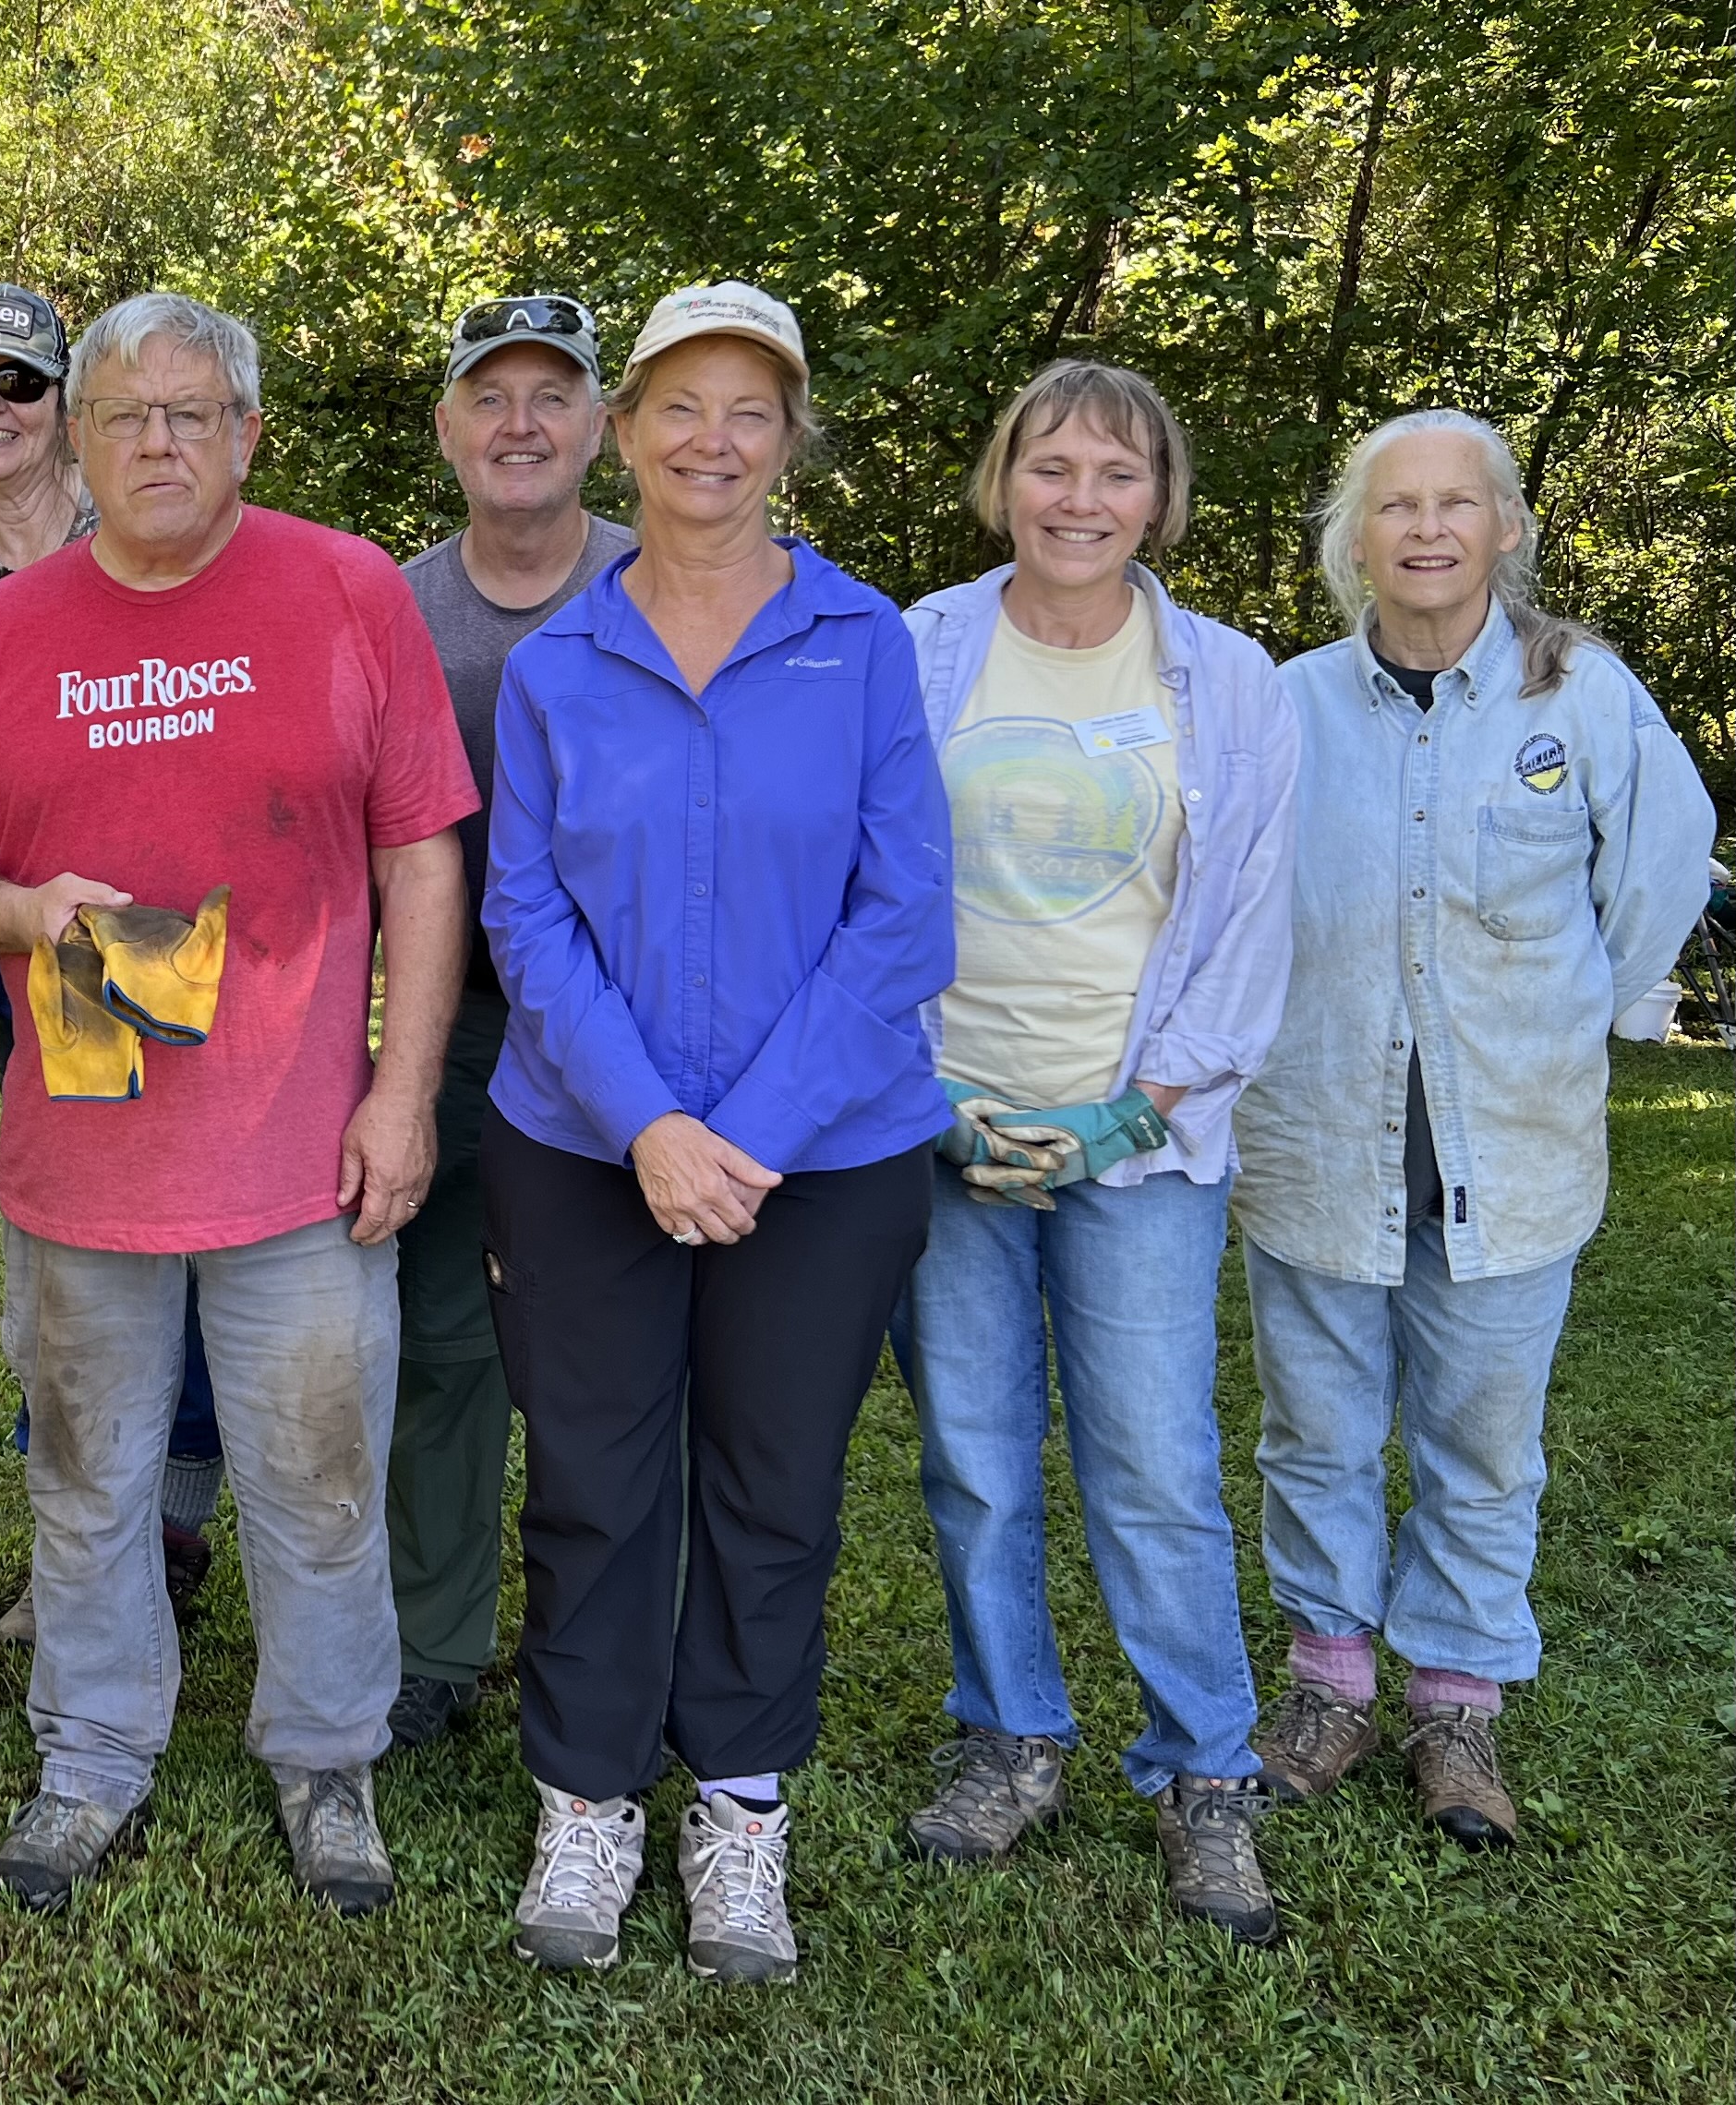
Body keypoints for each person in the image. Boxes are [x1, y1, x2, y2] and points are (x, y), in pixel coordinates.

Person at [0, 291, 476, 1916]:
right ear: (77, 439)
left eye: (190, 413)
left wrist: (403, 1091)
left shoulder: (346, 591)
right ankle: (90, 1757)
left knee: (319, 1480)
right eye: (125, 415)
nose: (156, 441)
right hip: (86, 1162)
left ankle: (329, 1761)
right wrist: (25, 914)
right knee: (86, 1479)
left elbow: (423, 851)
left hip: (301, 1155)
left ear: (246, 435)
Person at [480, 283, 951, 1980]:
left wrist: (735, 1134)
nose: (713, 440)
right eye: (679, 405)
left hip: (821, 1159)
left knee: (772, 1486)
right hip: (582, 1146)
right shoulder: (556, 666)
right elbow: (526, 921)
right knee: (598, 1487)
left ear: (789, 437)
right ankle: (589, 1804)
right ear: (624, 432)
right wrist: (651, 1127)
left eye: (750, 410)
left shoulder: (863, 643)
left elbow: (903, 921)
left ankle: (740, 1816)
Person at [1233, 409, 1711, 1850]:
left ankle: (1457, 1702)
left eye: (1459, 504)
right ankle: (1327, 1682)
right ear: (1355, 540)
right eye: (1397, 507)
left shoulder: (1585, 698)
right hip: (1319, 1128)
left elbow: (1662, 869)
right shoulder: (1286, 704)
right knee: (1314, 1425)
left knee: (1484, 1439)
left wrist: (1595, 1012)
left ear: (1505, 528)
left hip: (1516, 1140)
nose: (1428, 529)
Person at [886, 361, 1300, 1943]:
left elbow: (1253, 925)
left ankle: (1204, 1772)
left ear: (1160, 499)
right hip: (950, 1130)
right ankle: (1011, 1738)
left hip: (1139, 1144)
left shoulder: (1227, 680)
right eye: (1051, 466)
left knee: (1156, 1468)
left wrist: (1128, 1116)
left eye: (1116, 476)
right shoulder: (919, 649)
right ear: (1004, 479)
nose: (1080, 500)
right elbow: (862, 882)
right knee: (977, 1462)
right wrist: (929, 1100)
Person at [0, 283, 228, 1642]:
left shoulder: (153, 526)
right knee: (60, 1279)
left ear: (67, 409)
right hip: (23, 969)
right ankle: (86, 1548)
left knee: (207, 1250)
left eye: (20, 383)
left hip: (169, 951)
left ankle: (178, 1521)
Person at [385, 293, 636, 1751]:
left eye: (553, 395)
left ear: (600, 426)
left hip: (637, 1041)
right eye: (491, 396)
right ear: (450, 428)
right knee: (442, 1348)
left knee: (612, 1358)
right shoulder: (400, 608)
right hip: (459, 1024)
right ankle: (438, 1645)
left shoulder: (661, 587)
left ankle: (600, 1643)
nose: (521, 423)